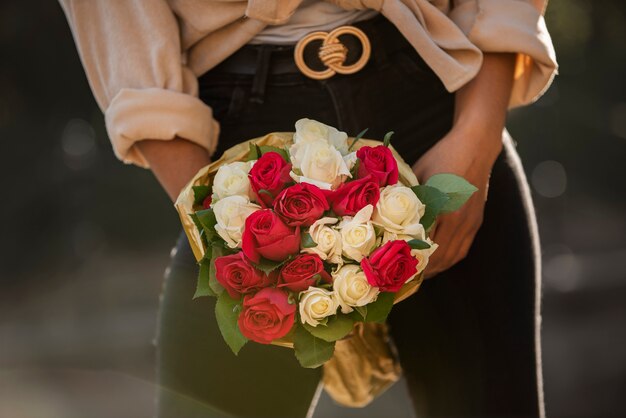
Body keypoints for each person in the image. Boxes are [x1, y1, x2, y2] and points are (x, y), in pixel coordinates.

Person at [59, 1, 558, 417]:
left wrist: (478, 135)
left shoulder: (466, 138)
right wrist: (211, 209)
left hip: (440, 111)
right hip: (241, 154)